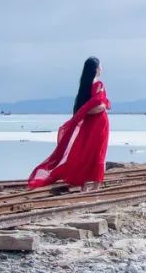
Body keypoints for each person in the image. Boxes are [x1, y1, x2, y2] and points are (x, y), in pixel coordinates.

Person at [28, 57, 111, 192]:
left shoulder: (84, 87)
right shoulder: (99, 85)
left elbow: (85, 107)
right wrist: (104, 105)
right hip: (99, 124)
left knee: (85, 152)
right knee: (98, 152)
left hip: (87, 124)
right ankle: (96, 186)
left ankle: (84, 185)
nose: (102, 68)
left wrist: (86, 112)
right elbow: (99, 106)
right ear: (96, 69)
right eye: (101, 66)